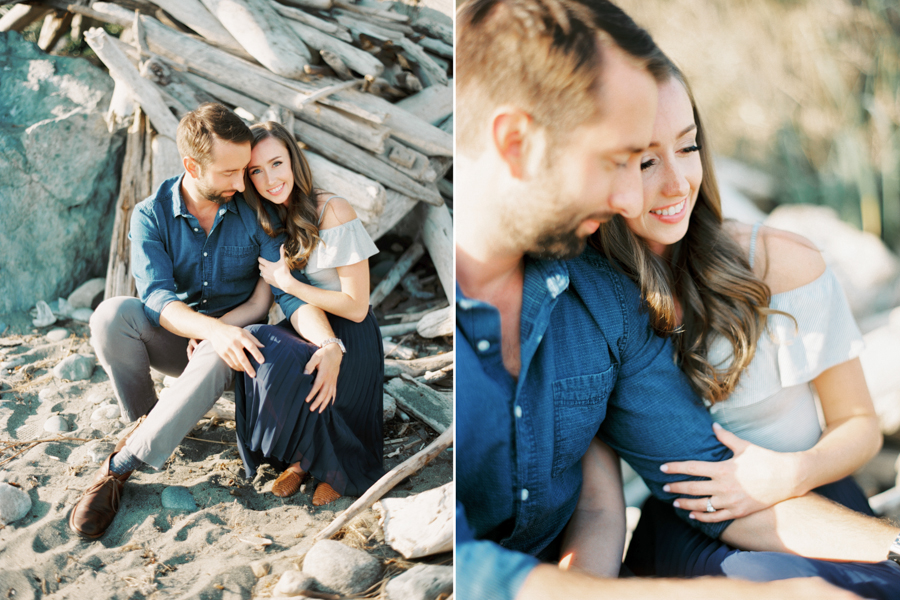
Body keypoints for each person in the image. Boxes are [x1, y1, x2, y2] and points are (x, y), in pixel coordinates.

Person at [454, 0, 900, 599]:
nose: (633, 196)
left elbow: (705, 487)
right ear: (515, 143)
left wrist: (891, 549)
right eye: (625, 160)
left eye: (685, 148)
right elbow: (471, 569)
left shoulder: (605, 300)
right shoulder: (465, 316)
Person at [587, 59, 891, 586]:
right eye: (644, 162)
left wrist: (789, 473)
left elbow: (860, 423)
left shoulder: (782, 263)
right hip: (692, 523)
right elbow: (595, 484)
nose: (678, 183)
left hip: (811, 490)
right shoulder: (585, 298)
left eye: (687, 147)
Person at [72, 104, 342, 538]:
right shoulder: (150, 215)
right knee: (111, 316)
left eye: (244, 170)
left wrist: (331, 344)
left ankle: (119, 467)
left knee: (225, 344)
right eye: (229, 173)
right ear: (191, 166)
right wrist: (211, 328)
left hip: (240, 355)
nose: (242, 183)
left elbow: (286, 292)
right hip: (186, 339)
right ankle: (147, 421)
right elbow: (157, 298)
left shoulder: (254, 210)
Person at [231, 121, 384, 506]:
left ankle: (336, 468)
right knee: (260, 341)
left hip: (352, 330)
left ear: (294, 162)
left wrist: (293, 285)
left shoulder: (333, 209)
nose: (270, 179)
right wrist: (213, 330)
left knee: (305, 358)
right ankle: (301, 460)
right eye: (257, 171)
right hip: (307, 325)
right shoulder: (268, 221)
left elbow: (357, 303)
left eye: (277, 163)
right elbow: (258, 304)